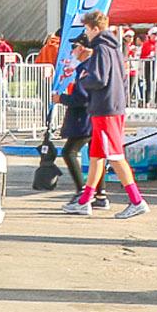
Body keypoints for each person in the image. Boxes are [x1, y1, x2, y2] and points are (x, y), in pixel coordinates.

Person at [63, 11, 148, 218]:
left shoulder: (100, 49)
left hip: (104, 109)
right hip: (113, 106)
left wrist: (83, 79)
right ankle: (84, 201)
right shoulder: (115, 49)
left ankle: (137, 200)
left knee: (115, 156)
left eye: (86, 29)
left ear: (95, 28)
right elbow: (121, 80)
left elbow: (99, 79)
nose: (86, 33)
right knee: (97, 157)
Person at [52, 35, 108, 208]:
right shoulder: (91, 66)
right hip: (94, 116)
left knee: (69, 152)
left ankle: (82, 191)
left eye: (75, 47)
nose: (73, 51)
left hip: (85, 118)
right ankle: (100, 194)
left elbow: (82, 97)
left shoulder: (86, 68)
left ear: (83, 48)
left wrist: (61, 98)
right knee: (95, 156)